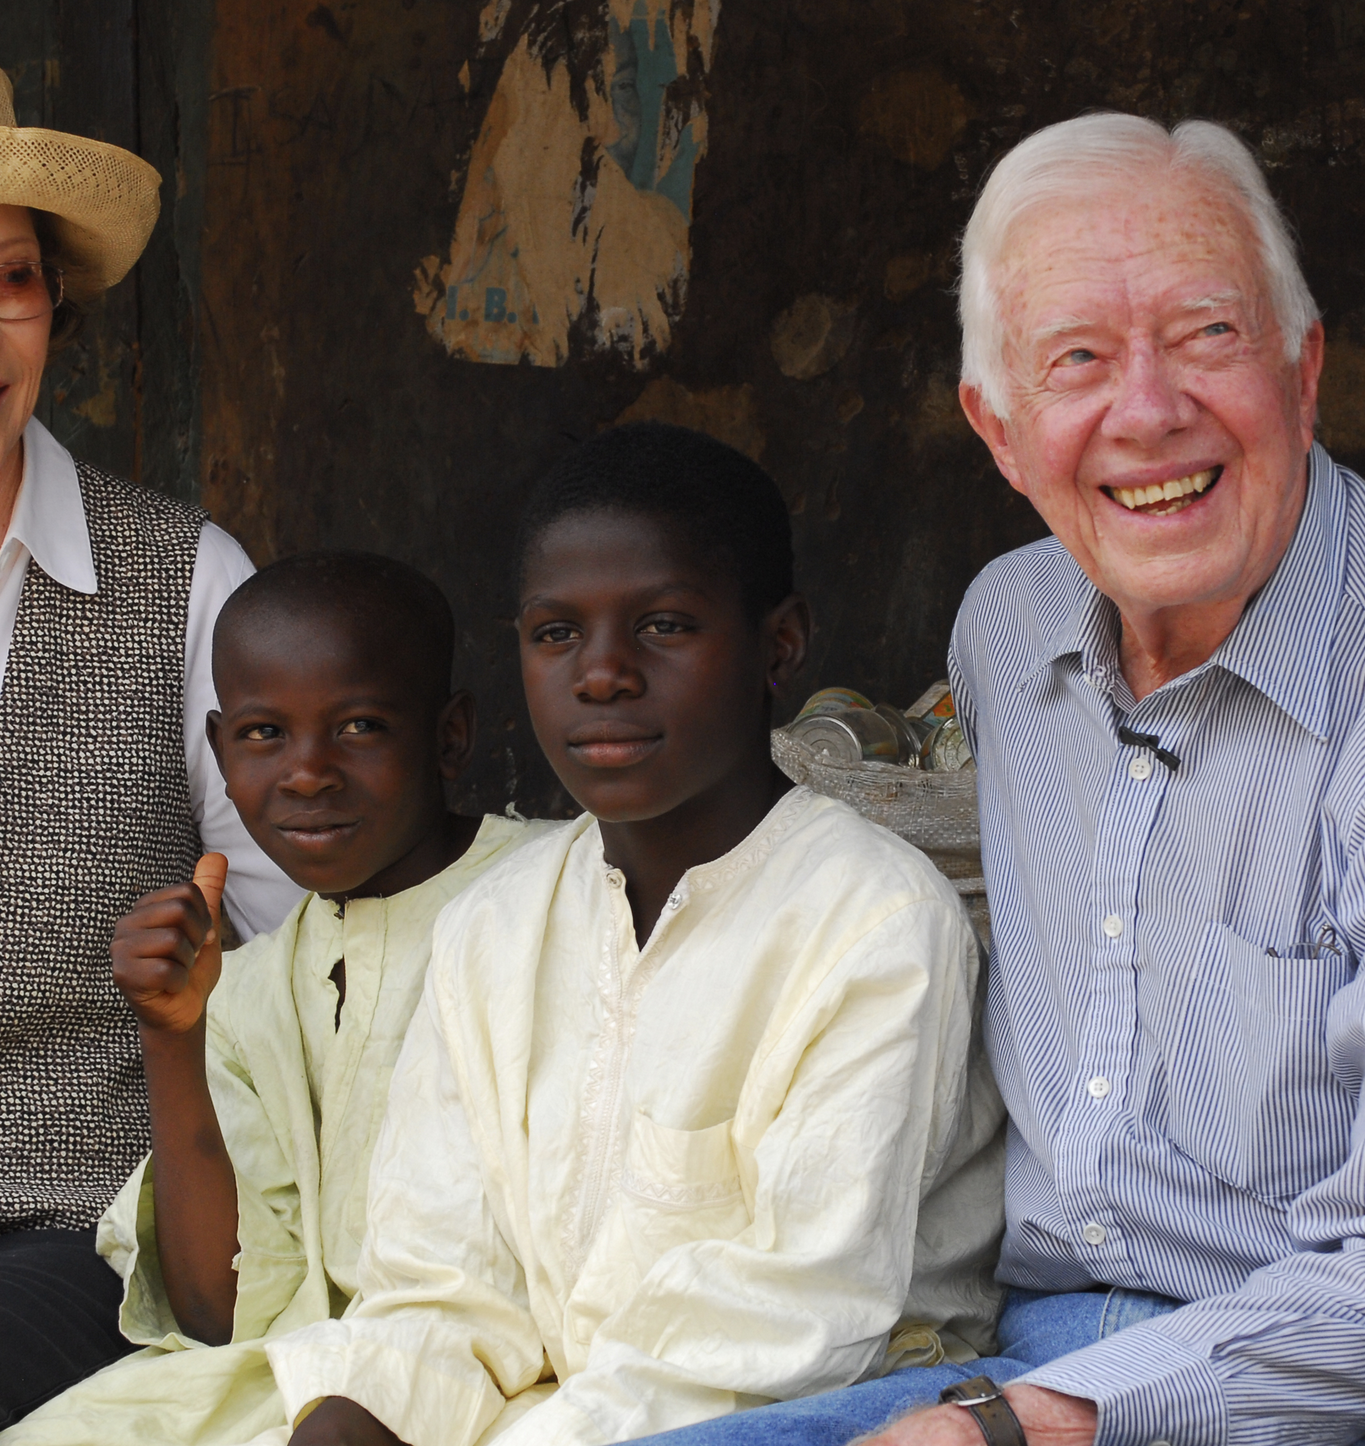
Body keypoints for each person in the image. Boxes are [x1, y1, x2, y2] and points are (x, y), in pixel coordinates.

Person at [627, 115, 1365, 1446]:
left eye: (1204, 336)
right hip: (1016, 1347)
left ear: (1302, 375)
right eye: (1076, 359)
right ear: (999, 432)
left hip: (1329, 1379)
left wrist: (1029, 1425)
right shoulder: (1008, 629)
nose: (1146, 410)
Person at [262, 422, 1007, 1446]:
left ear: (779, 645)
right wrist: (352, 1419)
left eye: (662, 625)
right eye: (556, 634)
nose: (601, 674)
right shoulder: (494, 929)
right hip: (569, 1418)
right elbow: (441, 1290)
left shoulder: (874, 921)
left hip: (838, 1416)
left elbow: (790, 1324)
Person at [0, 552, 553, 1446]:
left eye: (361, 726)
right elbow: (220, 1313)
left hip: (511, 1383)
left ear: (450, 735)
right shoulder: (251, 985)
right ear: (217, 751)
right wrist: (172, 1037)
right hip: (289, 1386)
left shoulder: (553, 896)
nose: (307, 774)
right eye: (263, 735)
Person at [0, 69, 300, 1426]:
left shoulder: (184, 582)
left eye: (6, 280)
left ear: (55, 308)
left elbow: (289, 943)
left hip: (92, 1226)